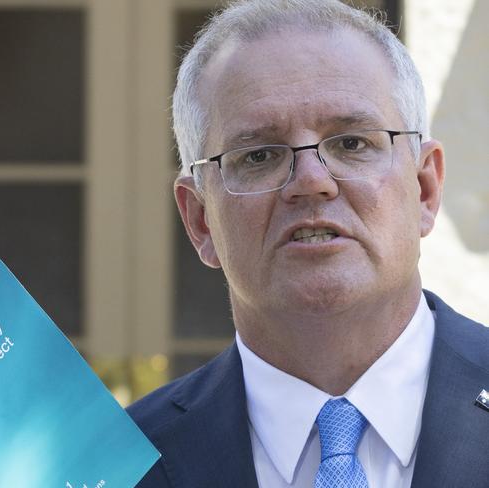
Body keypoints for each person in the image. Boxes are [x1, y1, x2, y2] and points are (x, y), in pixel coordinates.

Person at [127, 0, 489, 487]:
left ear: (424, 188)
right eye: (258, 155)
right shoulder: (123, 467)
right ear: (200, 220)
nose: (312, 181)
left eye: (352, 143)